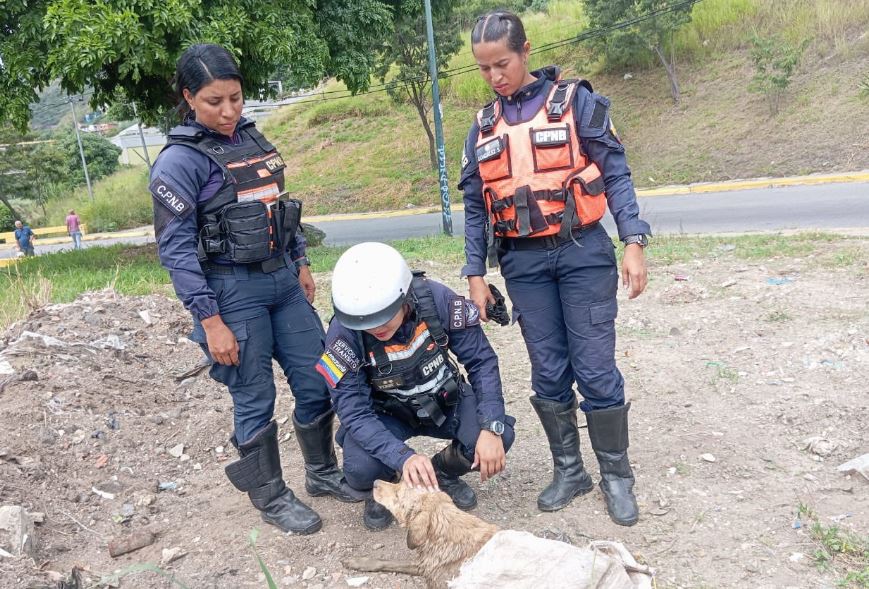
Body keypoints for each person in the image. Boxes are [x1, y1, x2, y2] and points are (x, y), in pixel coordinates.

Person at [150, 44, 356, 536]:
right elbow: (176, 252)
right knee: (254, 397)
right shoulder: (178, 163)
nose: (228, 111)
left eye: (236, 98)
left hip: (283, 281)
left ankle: (323, 473)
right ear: (188, 98)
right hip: (230, 293)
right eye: (214, 101)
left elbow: (280, 205)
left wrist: (301, 262)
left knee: (320, 378)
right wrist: (210, 320)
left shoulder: (252, 138)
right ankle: (271, 497)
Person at [459, 12, 651, 527]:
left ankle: (616, 476)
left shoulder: (577, 103)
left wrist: (633, 240)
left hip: (582, 251)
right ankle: (570, 470)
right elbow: (476, 208)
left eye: (502, 63)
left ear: (524, 51)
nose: (495, 76)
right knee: (547, 369)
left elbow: (615, 172)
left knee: (594, 367)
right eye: (483, 69)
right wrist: (475, 274)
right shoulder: (481, 127)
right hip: (523, 263)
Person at [318, 242, 515, 530]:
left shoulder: (438, 301)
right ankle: (388, 487)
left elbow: (481, 361)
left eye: (384, 317)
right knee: (359, 471)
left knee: (499, 437)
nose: (376, 329)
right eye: (366, 323)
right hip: (387, 415)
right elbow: (353, 410)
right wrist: (403, 457)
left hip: (445, 400)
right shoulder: (343, 334)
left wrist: (491, 425)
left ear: (404, 297)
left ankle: (440, 473)